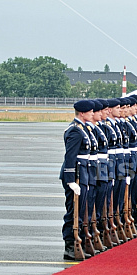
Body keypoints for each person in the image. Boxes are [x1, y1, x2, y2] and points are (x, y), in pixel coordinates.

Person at [60, 100, 94, 260]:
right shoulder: (75, 131)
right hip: (75, 175)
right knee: (73, 212)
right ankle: (69, 246)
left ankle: (77, 243)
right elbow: (70, 157)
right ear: (82, 113)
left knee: (80, 212)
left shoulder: (83, 129)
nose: (93, 114)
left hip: (83, 173)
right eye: (90, 111)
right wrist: (70, 180)